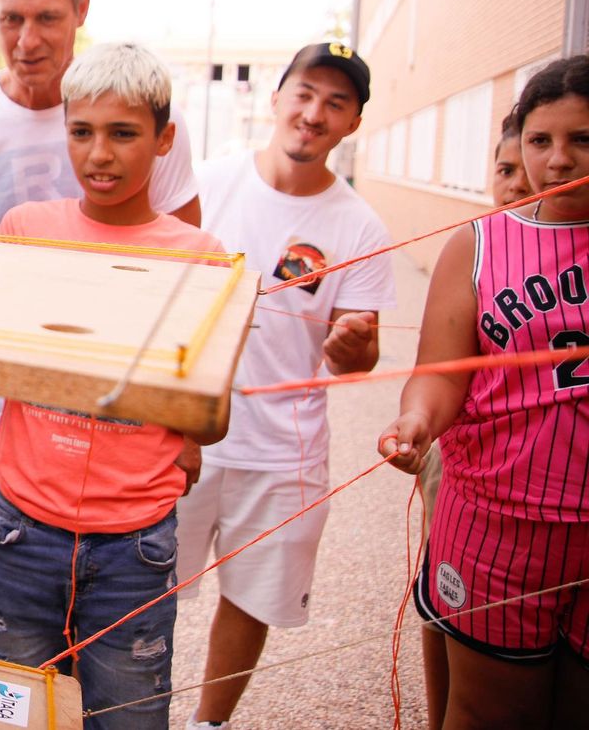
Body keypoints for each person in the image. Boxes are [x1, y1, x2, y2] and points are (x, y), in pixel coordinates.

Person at [0, 0, 201, 653]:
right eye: (10, 18)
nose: (26, 39)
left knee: (98, 615)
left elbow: (185, 276)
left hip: (116, 414)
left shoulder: (134, 105)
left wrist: (178, 419)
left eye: (47, 18)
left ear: (82, 10)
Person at [0, 42, 226, 729]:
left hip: (134, 547)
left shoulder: (201, 258)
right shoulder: (26, 232)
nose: (100, 155)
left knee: (128, 719)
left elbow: (211, 420)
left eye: (124, 133)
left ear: (164, 139)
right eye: (82, 132)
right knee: (11, 717)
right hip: (24, 531)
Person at [177, 42, 396, 730]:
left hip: (283, 455)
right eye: (304, 93)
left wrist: (353, 347)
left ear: (353, 122)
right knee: (139, 589)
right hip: (183, 432)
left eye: (336, 102)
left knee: (251, 599)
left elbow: (355, 361)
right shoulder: (203, 186)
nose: (314, 112)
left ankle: (209, 725)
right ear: (276, 100)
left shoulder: (359, 225)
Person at [380, 58, 589, 730]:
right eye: (539, 141)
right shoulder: (475, 243)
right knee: (491, 713)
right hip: (499, 524)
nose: (557, 161)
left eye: (582, 140)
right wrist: (415, 418)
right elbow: (442, 372)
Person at [415, 108, 533, 728]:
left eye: (525, 168)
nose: (515, 183)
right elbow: (439, 367)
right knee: (441, 596)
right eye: (504, 168)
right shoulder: (478, 245)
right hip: (464, 465)